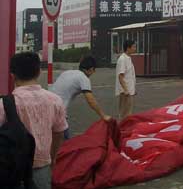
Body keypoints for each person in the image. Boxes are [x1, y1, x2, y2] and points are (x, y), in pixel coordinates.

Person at [0, 52, 67, 189]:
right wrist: (52, 158)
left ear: (12, 75)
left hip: (11, 170)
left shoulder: (4, 104)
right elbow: (59, 133)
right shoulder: (55, 100)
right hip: (42, 168)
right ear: (39, 72)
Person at [52, 56, 111, 139]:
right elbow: (90, 100)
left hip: (48, 105)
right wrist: (103, 115)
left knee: (54, 138)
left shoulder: (67, 72)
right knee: (65, 141)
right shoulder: (83, 78)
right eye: (94, 70)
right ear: (91, 69)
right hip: (58, 111)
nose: (94, 72)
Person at [116, 39, 137, 120]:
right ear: (128, 48)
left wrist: (133, 89)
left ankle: (125, 126)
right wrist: (126, 90)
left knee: (128, 113)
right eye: (133, 47)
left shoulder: (128, 58)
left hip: (129, 91)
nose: (135, 48)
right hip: (126, 92)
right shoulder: (123, 59)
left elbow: (130, 76)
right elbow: (120, 76)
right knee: (124, 114)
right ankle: (122, 127)